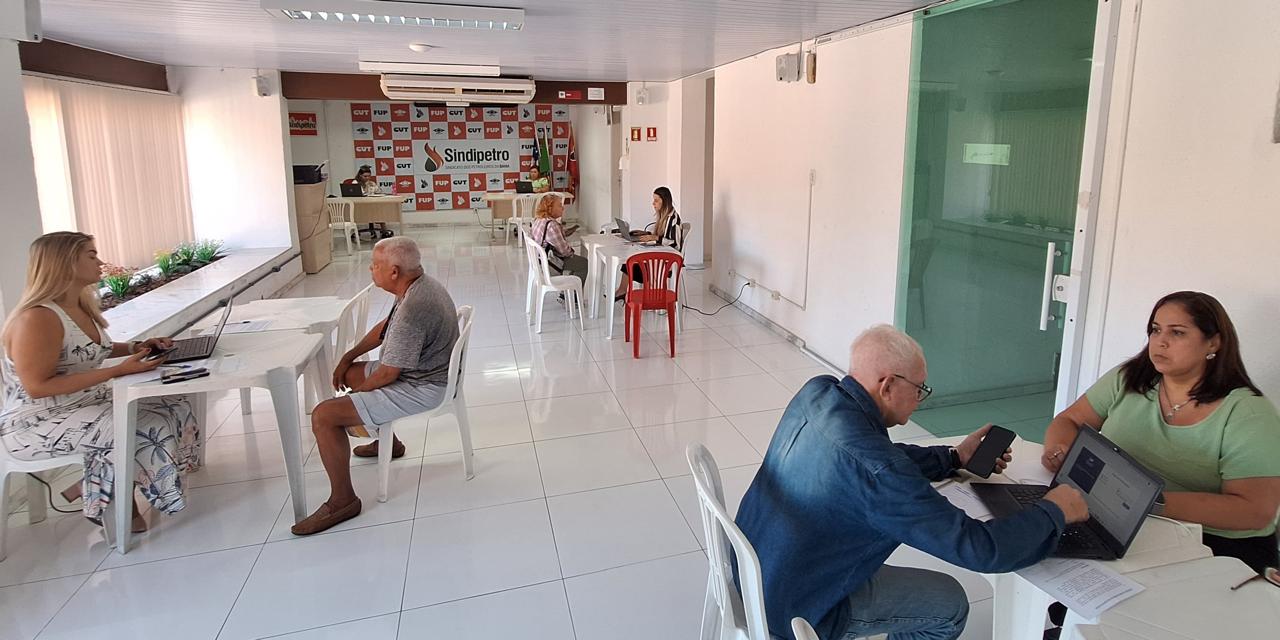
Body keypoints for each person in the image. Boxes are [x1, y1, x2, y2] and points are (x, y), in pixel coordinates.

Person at [735, 324, 1088, 640]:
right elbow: (980, 550)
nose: (920, 400)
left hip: (754, 568)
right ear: (887, 385)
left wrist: (953, 457)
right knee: (950, 604)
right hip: (798, 610)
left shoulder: (818, 392)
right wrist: (1052, 511)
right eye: (920, 389)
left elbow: (869, 455)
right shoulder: (880, 472)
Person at [1041, 291, 1280, 573]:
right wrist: (1062, 453)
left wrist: (1145, 502)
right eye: (1155, 330)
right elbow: (1069, 420)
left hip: (1216, 545)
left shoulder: (1247, 413)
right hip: (1126, 520)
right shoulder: (1130, 378)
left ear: (1213, 343)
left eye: (1177, 332)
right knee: (1044, 554)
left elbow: (1254, 511)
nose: (1160, 342)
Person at [0, 232, 200, 533]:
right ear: (65, 262)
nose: (101, 262)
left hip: (81, 402)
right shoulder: (37, 318)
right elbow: (37, 387)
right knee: (140, 424)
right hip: (36, 422)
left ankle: (93, 486)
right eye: (91, 255)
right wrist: (117, 371)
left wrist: (137, 347)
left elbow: (92, 349)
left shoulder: (78, 307)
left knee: (173, 403)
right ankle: (117, 509)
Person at [292, 236, 458, 535]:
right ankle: (389, 443)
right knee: (351, 374)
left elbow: (388, 375)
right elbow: (385, 328)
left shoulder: (414, 308)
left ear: (394, 271)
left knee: (324, 416)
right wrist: (348, 357)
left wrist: (357, 398)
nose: (370, 269)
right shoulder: (416, 284)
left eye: (375, 265)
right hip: (422, 371)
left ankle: (343, 500)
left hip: (424, 385)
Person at [614, 186, 685, 299]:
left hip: (668, 262)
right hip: (660, 256)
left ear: (664, 201)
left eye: (656, 200)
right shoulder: (664, 216)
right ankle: (622, 290)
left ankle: (623, 291)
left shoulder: (674, 220)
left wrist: (654, 237)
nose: (653, 203)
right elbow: (663, 237)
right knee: (629, 263)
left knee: (632, 264)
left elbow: (675, 244)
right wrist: (646, 234)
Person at [529, 194, 586, 278]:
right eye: (559, 205)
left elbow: (553, 235)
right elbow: (565, 252)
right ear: (550, 208)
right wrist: (572, 252)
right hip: (549, 265)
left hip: (538, 261)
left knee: (575, 261)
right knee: (584, 264)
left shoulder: (538, 219)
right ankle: (574, 285)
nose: (563, 208)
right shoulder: (552, 225)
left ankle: (570, 282)